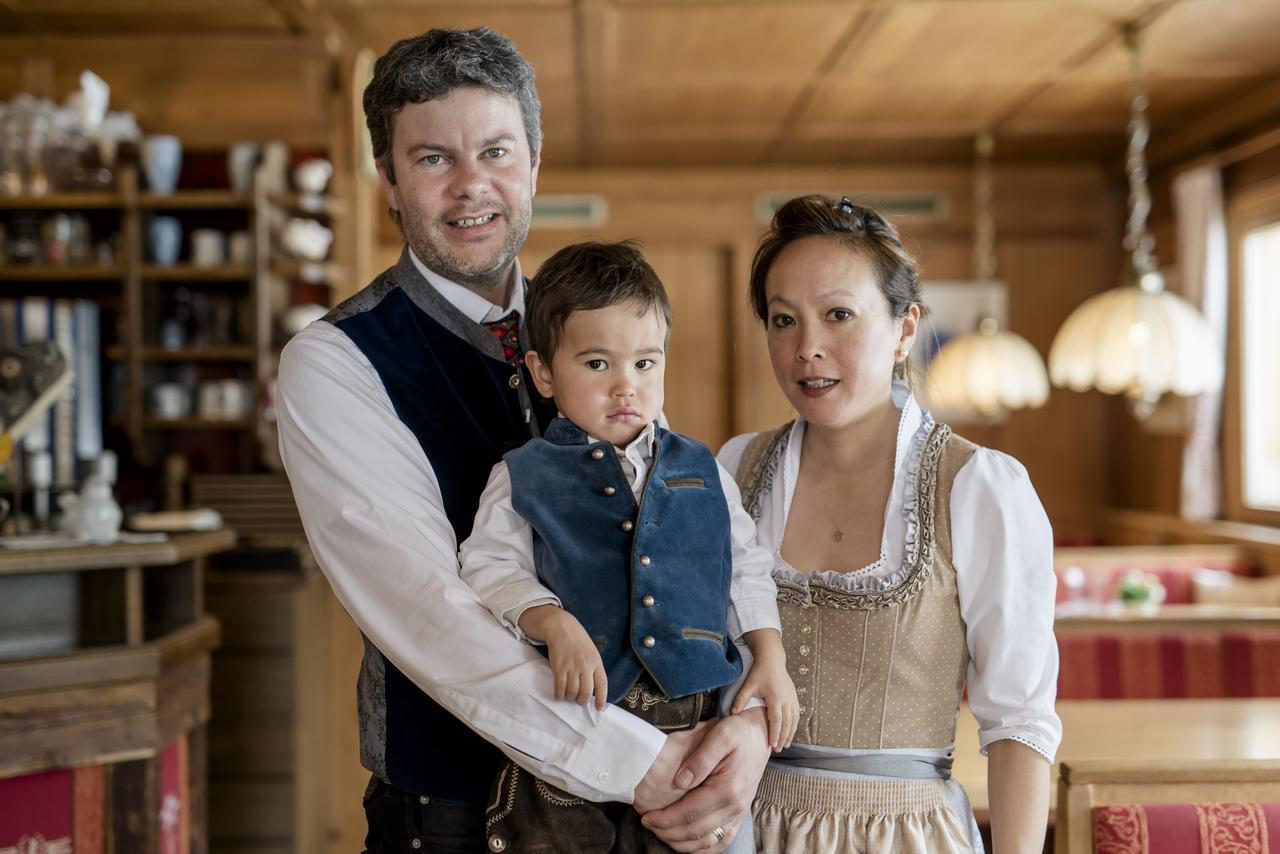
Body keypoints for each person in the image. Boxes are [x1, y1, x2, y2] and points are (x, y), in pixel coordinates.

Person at [277, 27, 771, 854]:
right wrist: (647, 765)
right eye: (433, 159)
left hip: (669, 813)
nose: (473, 186)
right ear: (389, 182)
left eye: (497, 152)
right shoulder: (335, 363)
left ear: (535, 165)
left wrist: (743, 732)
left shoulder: (603, 331)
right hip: (461, 822)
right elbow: (431, 616)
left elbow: (701, 554)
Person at [718, 195, 1062, 853]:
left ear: (905, 329)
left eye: (839, 315)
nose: (806, 348)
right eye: (783, 320)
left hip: (904, 832)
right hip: (740, 827)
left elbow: (1018, 720)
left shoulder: (978, 486)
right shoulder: (735, 467)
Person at [458, 240, 798, 852]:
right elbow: (487, 565)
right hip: (580, 735)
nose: (625, 387)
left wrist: (768, 656)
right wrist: (553, 622)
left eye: (645, 363)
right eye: (596, 364)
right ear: (542, 372)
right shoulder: (522, 474)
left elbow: (744, 569)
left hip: (693, 729)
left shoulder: (703, 468)